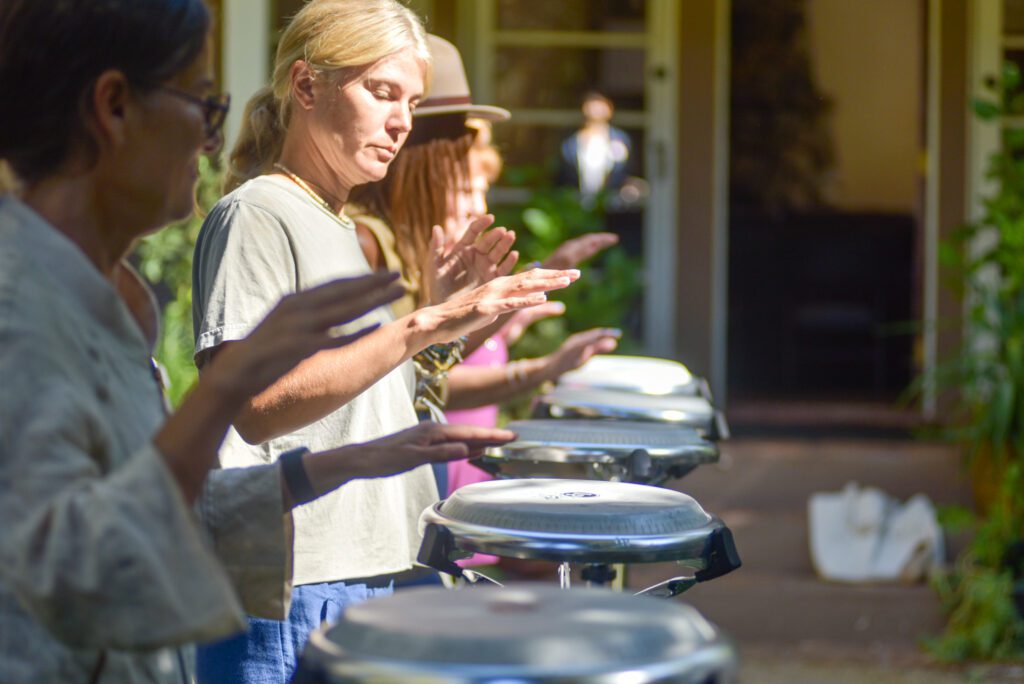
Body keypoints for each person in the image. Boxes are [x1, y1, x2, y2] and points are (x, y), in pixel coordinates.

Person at [0, 1, 515, 682]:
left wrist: (364, 452)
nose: (213, 143)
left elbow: (174, 505)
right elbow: (68, 572)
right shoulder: (29, 310)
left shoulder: (105, 298)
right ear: (114, 107)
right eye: (203, 107)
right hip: (304, 583)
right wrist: (412, 330)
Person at [190, 2, 578, 681]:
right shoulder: (257, 213)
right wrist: (419, 323)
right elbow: (251, 408)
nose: (402, 121)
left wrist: (443, 320)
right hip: (291, 581)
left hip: (361, 566)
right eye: (382, 91)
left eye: (413, 100)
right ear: (307, 87)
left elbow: (356, 399)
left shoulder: (335, 221)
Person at [348, 37, 621, 502]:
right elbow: (390, 385)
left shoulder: (401, 244)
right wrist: (532, 359)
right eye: (460, 168)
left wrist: (503, 301)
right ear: (427, 162)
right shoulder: (367, 242)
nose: (477, 200)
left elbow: (423, 369)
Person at [557, 91, 633, 204]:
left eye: (601, 104)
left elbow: (626, 169)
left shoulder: (620, 139)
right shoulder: (571, 142)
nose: (596, 109)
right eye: (592, 105)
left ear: (610, 109)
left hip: (613, 202)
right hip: (577, 202)